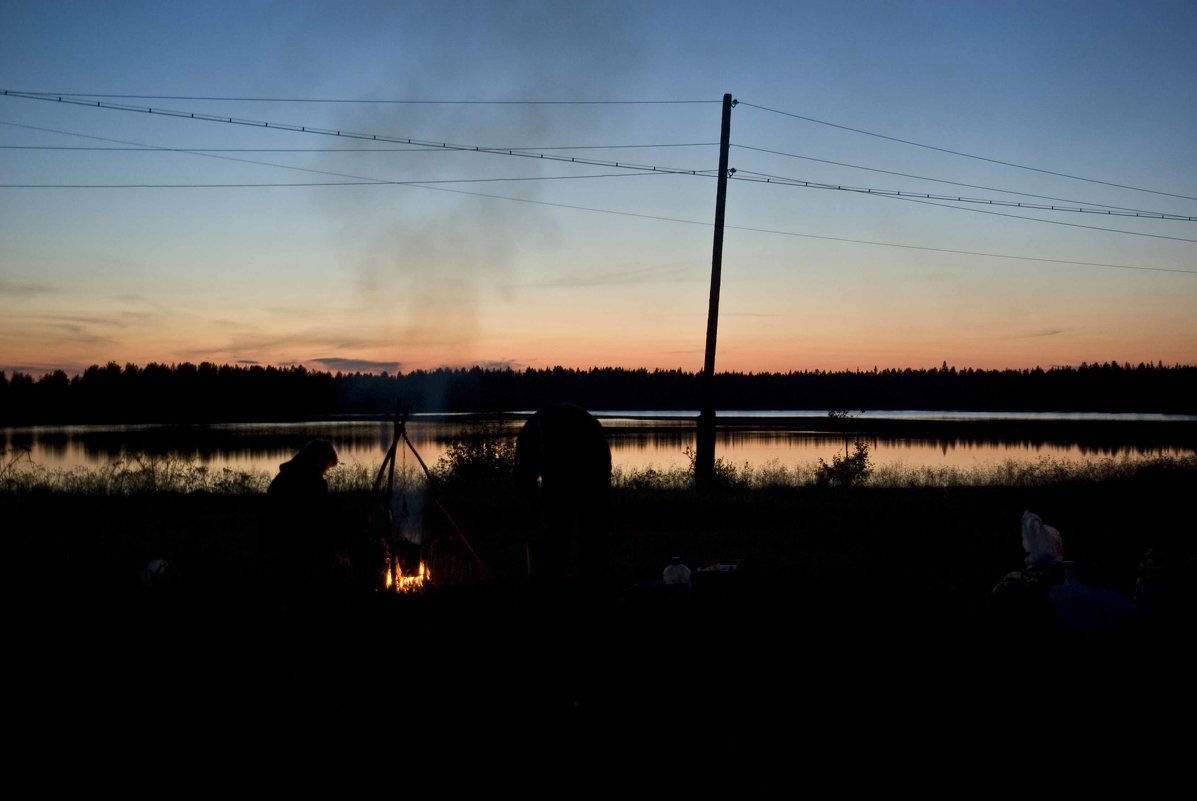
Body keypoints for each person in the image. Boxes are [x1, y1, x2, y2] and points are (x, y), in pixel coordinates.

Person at [514, 403, 612, 587]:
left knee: (563, 524)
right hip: (587, 452)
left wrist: (532, 502)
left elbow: (524, 478)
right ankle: (586, 572)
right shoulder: (539, 430)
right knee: (585, 524)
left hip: (581, 455)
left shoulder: (535, 431)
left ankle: (562, 573)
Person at [263, 439, 343, 593]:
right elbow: (321, 515)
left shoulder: (286, 474)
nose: (325, 471)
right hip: (290, 536)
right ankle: (320, 586)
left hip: (272, 533)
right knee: (326, 538)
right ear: (320, 461)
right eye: (326, 467)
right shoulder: (312, 481)